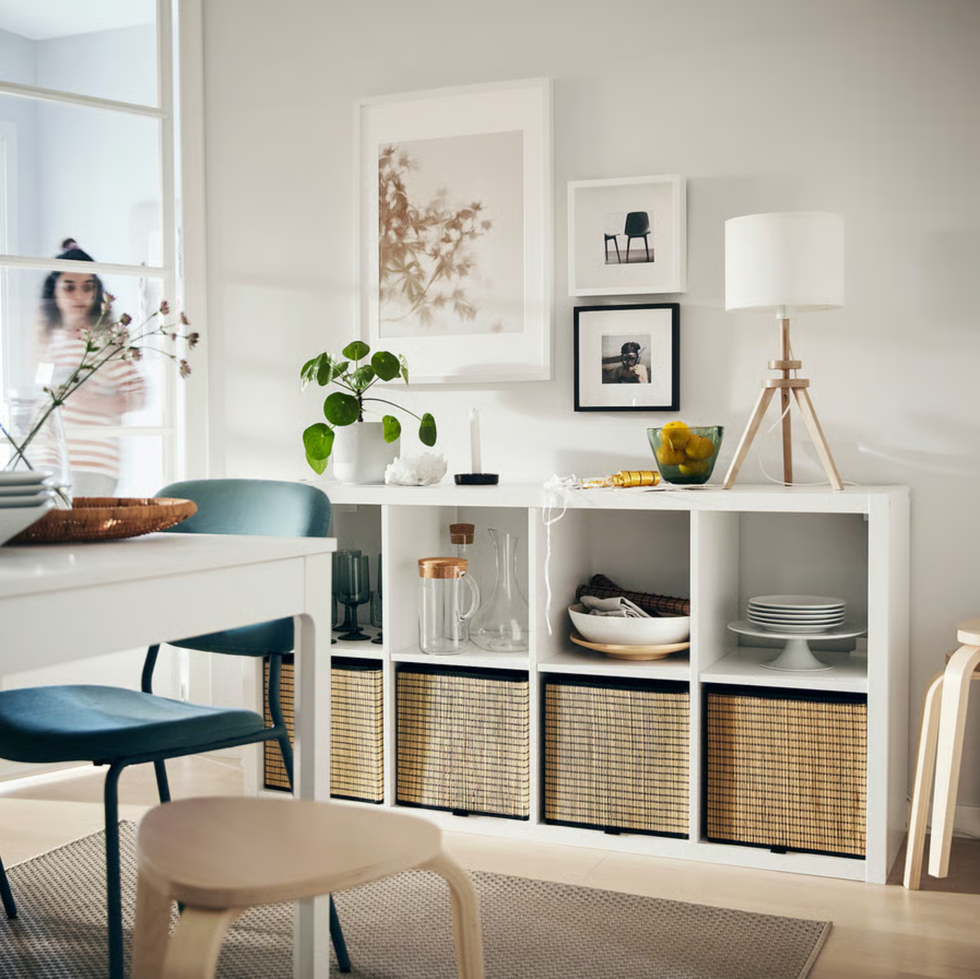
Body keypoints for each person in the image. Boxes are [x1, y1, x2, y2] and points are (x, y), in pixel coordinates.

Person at [38, 239, 146, 497]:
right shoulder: (52, 341)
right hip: (50, 461)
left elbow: (138, 396)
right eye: (69, 287)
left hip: (93, 463)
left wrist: (88, 401)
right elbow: (42, 400)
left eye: (87, 287)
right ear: (54, 291)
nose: (80, 296)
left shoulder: (107, 340)